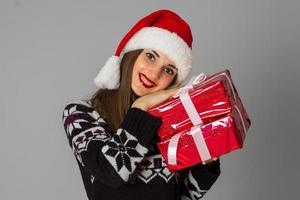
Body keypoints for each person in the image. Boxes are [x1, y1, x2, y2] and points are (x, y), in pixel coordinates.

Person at [62, 9, 221, 200]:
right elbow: (111, 173)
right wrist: (141, 107)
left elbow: (183, 195)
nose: (155, 74)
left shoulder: (170, 124)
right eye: (151, 56)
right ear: (132, 54)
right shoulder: (80, 115)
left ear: (173, 81)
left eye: (168, 70)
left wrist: (208, 161)